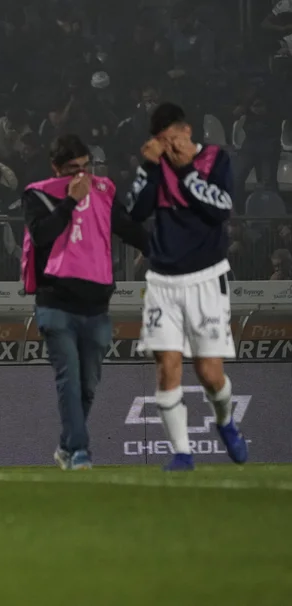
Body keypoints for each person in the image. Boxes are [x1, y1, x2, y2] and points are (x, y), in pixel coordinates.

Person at [127, 102, 248, 471]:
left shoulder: (215, 159)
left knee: (210, 373)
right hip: (162, 280)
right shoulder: (155, 165)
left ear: (187, 131)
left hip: (206, 278)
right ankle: (182, 453)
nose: (169, 147)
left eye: (173, 139)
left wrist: (186, 172)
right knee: (167, 367)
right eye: (162, 142)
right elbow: (135, 212)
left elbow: (221, 208)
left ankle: (225, 421)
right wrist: (148, 167)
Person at [22, 134, 150, 471]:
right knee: (69, 379)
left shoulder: (103, 191)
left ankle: (67, 446)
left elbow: (128, 228)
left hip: (96, 305)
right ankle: (80, 451)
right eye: (72, 169)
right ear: (55, 168)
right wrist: (69, 202)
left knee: (88, 384)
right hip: (55, 302)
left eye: (85, 167)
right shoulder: (38, 195)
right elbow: (41, 235)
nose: (81, 175)